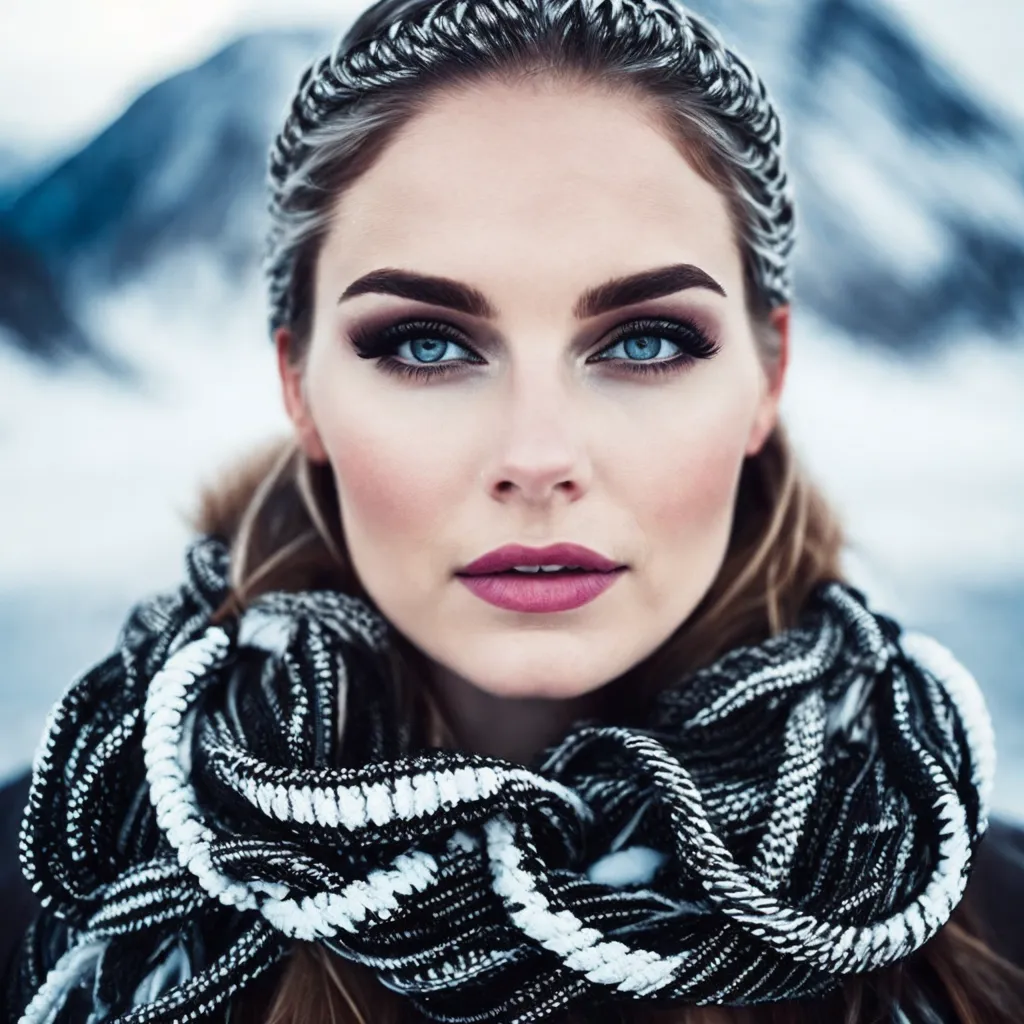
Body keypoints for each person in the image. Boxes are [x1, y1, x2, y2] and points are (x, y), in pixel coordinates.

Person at [3, 0, 1024, 1021]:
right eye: (427, 344)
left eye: (645, 341)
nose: (537, 459)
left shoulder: (992, 919)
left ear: (767, 376)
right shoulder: (44, 892)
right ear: (299, 388)